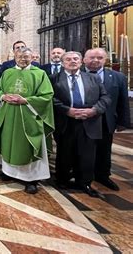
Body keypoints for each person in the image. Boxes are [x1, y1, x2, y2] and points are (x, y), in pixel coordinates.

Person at [0, 47, 55, 194]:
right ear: (15, 57)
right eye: (20, 56)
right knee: (9, 143)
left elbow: (47, 95)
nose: (22, 59)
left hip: (30, 117)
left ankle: (31, 179)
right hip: (9, 115)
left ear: (32, 57)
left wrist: (25, 100)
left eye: (26, 57)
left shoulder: (39, 74)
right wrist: (3, 97)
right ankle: (9, 172)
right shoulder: (8, 73)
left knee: (28, 146)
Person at [51, 51, 110, 197]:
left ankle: (85, 183)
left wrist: (94, 110)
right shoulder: (54, 78)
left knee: (87, 154)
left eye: (76, 59)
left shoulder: (93, 78)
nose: (72, 61)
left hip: (88, 121)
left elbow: (105, 97)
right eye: (68, 59)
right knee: (65, 152)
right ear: (63, 63)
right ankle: (62, 181)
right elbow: (50, 98)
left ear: (81, 61)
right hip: (66, 121)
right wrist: (67, 110)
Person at [83, 48, 129, 191]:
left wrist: (123, 121)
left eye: (99, 57)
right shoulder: (76, 74)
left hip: (106, 119)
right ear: (84, 59)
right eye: (92, 57)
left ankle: (103, 175)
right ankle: (83, 176)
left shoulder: (118, 77)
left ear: (105, 60)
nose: (95, 60)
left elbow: (123, 101)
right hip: (82, 119)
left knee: (104, 149)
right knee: (82, 149)